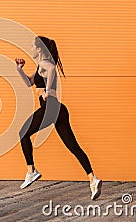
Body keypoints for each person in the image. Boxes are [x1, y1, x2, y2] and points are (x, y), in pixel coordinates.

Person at [15, 36, 102, 200]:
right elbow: (29, 82)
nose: (31, 49)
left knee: (23, 133)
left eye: (33, 46)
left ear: (39, 49)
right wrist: (19, 69)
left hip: (51, 108)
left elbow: (52, 70)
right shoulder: (39, 67)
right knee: (73, 146)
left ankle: (31, 171)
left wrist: (48, 90)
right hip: (58, 110)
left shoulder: (45, 63)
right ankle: (93, 179)